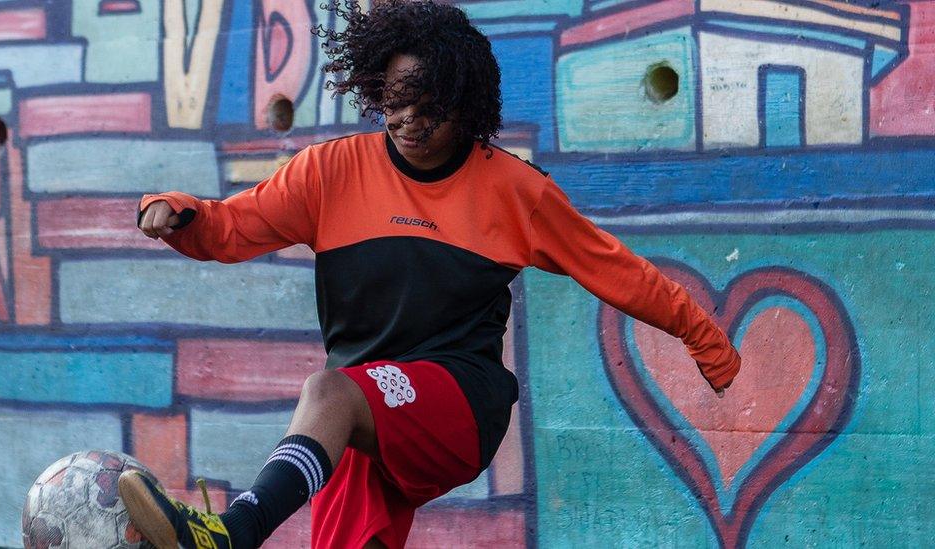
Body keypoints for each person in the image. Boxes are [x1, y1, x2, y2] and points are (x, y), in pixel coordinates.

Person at [119, 1, 741, 548]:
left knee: (327, 391)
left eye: (429, 106)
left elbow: (617, 271)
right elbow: (230, 228)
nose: (408, 121)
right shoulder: (330, 173)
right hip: (368, 412)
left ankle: (235, 532)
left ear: (464, 105)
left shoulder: (512, 191)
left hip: (458, 403)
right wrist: (175, 212)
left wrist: (705, 339)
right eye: (394, 101)